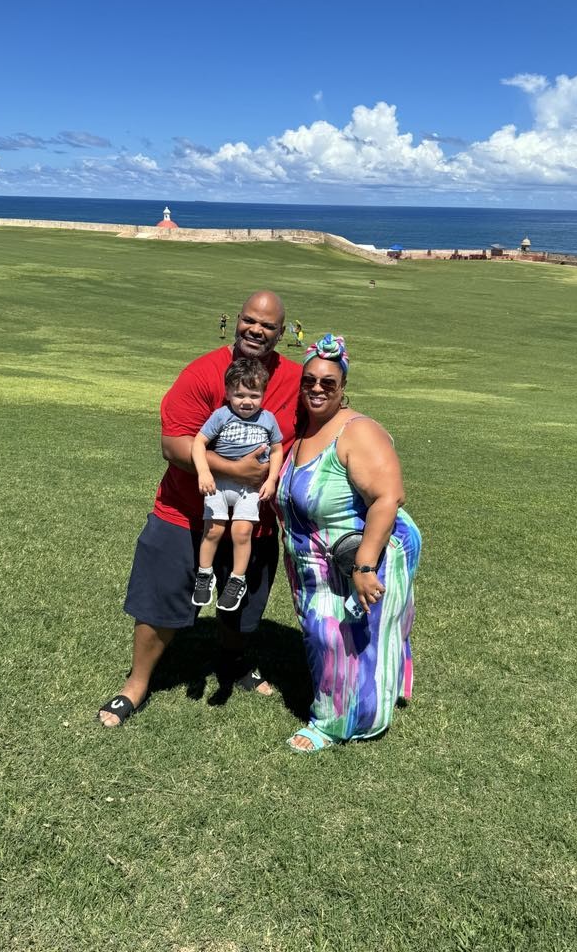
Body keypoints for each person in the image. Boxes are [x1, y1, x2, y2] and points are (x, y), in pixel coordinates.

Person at [98, 291, 301, 726]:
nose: (256, 330)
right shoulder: (203, 372)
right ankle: (136, 683)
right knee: (159, 603)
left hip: (252, 517)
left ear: (281, 333)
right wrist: (234, 469)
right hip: (186, 512)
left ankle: (233, 663)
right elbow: (174, 446)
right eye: (249, 320)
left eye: (267, 326)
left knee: (239, 605)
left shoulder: (295, 379)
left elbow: (316, 425)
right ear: (236, 321)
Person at [275, 334, 422, 752]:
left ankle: (334, 723)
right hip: (317, 560)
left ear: (343, 390)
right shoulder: (307, 432)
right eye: (309, 381)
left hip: (361, 556)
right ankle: (370, 697)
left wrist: (364, 567)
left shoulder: (358, 432)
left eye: (328, 383)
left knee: (337, 638)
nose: (317, 389)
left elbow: (388, 496)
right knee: (339, 637)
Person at [191, 358, 284, 612]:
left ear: (263, 394)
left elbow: (277, 449)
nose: (246, 401)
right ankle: (204, 574)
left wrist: (272, 479)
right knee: (213, 530)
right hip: (219, 483)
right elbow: (199, 443)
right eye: (239, 394)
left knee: (241, 533)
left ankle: (237, 579)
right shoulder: (221, 415)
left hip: (249, 488)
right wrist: (203, 473)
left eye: (254, 395)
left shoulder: (267, 419)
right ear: (228, 392)